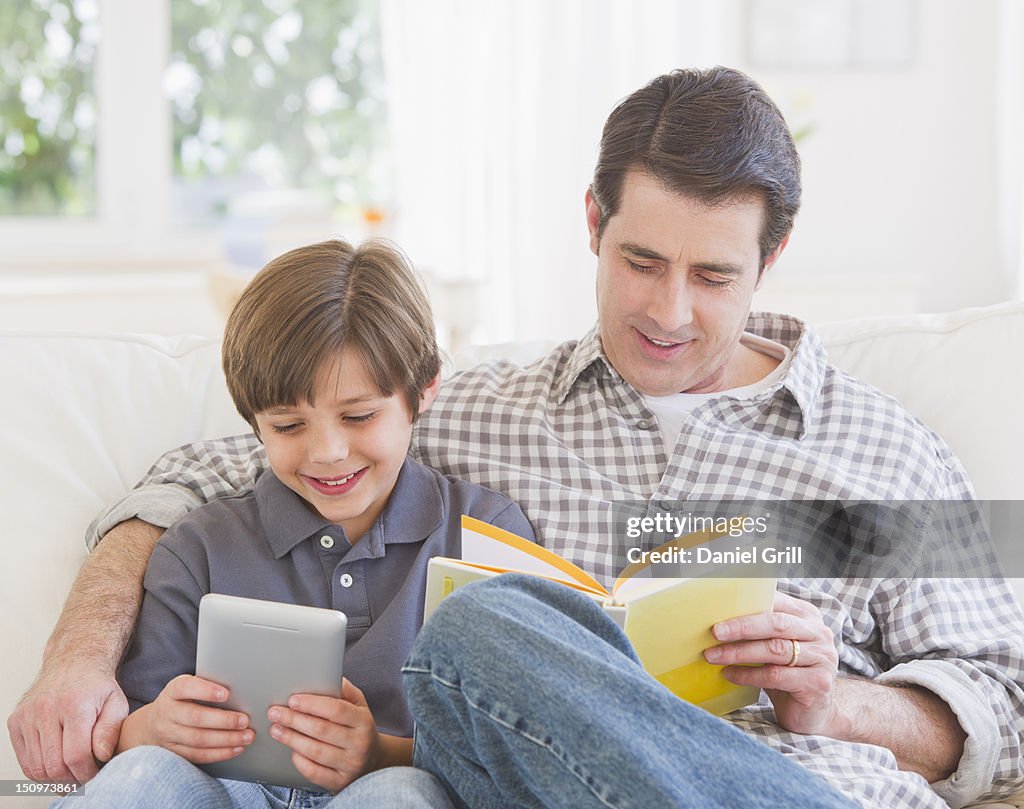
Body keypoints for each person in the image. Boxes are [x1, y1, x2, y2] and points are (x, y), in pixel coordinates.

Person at [10, 66, 1024, 808]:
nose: (669, 308)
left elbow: (1002, 697)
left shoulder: (879, 448)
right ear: (591, 221)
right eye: (639, 259)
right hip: (555, 790)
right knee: (484, 629)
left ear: (773, 256)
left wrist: (833, 702)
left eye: (713, 275)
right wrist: (79, 653)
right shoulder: (478, 411)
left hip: (798, 779)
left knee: (485, 628)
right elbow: (214, 469)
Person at [49, 238, 532, 808]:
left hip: (394, 784)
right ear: (254, 423)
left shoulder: (484, 531)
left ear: (423, 389)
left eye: (358, 416)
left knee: (400, 796)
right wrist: (149, 729)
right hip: (230, 788)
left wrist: (380, 753)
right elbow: (118, 736)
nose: (327, 452)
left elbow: (509, 745)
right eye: (287, 426)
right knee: (143, 777)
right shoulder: (198, 546)